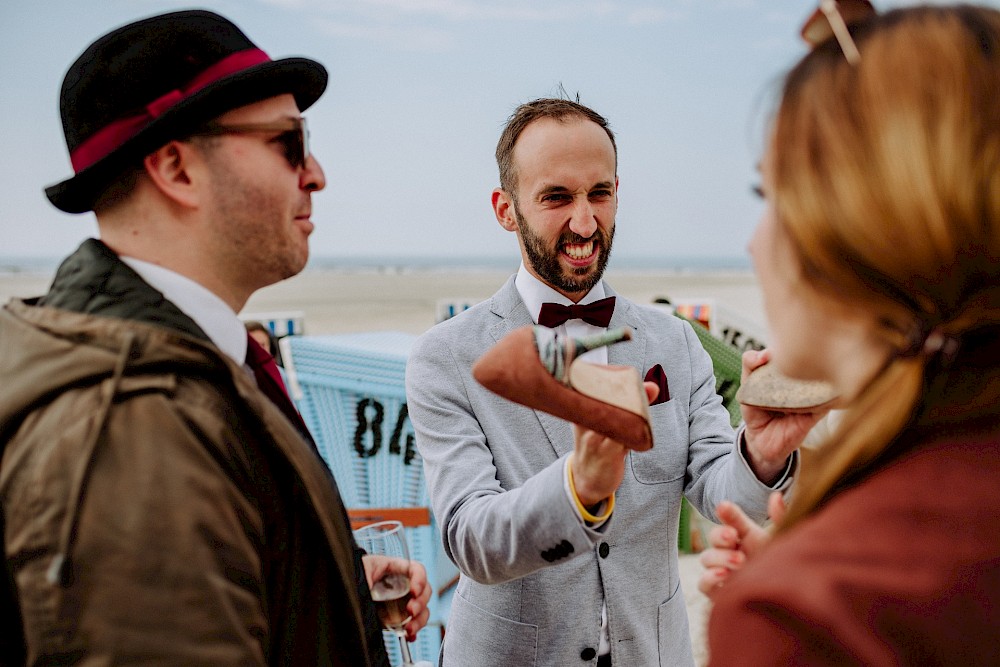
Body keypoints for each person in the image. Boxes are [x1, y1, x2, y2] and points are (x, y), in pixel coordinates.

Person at [0, 10, 430, 666]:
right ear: (176, 168)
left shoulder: (191, 367)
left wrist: (328, 590)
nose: (315, 173)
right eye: (289, 142)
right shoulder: (134, 430)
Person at [404, 98, 817, 666]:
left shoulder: (676, 343)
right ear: (505, 209)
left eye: (599, 193)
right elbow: (472, 540)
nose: (584, 222)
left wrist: (763, 454)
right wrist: (578, 487)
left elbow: (726, 500)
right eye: (556, 197)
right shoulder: (445, 356)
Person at [698, 4, 1000, 664]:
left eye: (768, 196)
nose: (753, 243)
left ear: (852, 222)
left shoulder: (813, 613)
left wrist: (788, 594)